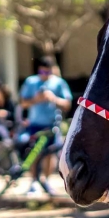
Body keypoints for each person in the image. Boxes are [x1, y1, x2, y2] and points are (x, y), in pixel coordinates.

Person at [19, 56, 72, 195]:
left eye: (48, 73)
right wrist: (36, 99)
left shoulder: (59, 83)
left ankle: (46, 181)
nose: (45, 75)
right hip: (35, 124)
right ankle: (34, 182)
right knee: (34, 152)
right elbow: (23, 102)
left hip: (52, 125)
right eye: (42, 73)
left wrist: (53, 98)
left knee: (50, 154)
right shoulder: (31, 82)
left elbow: (67, 104)